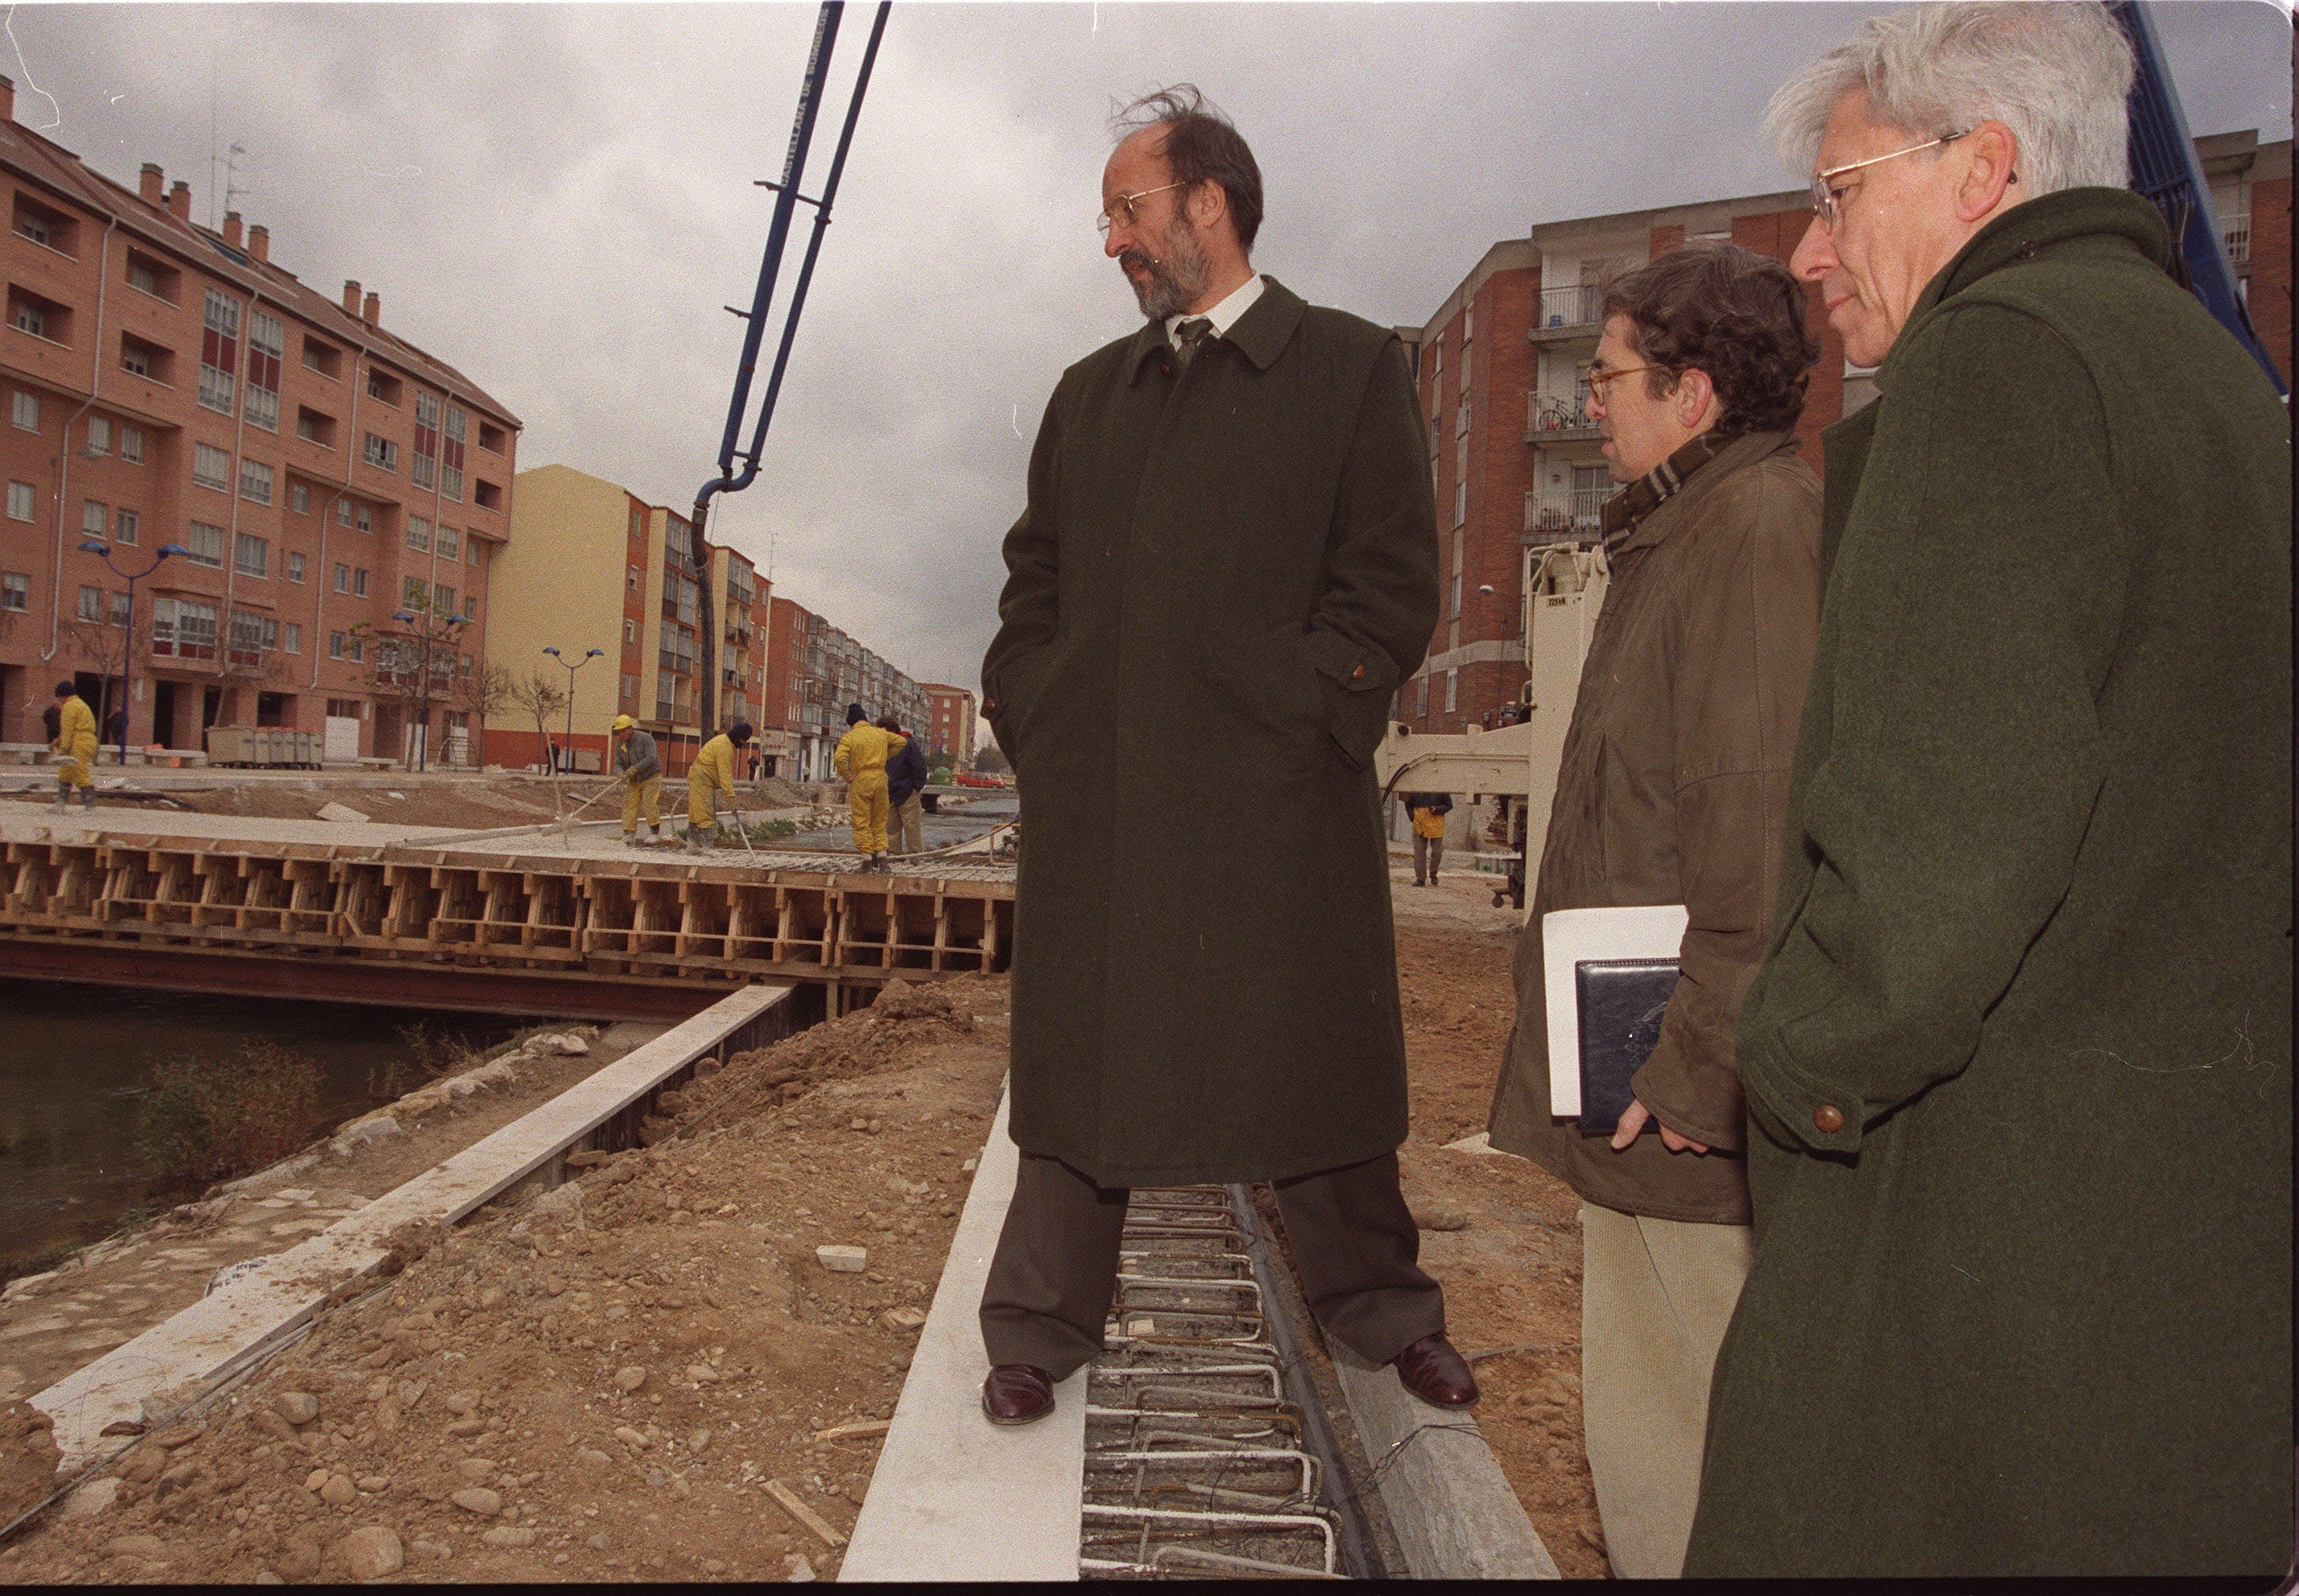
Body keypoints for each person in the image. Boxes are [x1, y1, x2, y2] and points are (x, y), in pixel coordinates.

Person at [1681, 4, 2292, 1579]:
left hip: (1980, 1273)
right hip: (2174, 1283)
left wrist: (1789, 1061)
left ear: (1986, 168)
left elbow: (1925, 869)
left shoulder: (1999, 364)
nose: (1812, 258)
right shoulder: (2215, 389)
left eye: (1838, 195)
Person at [976, 85, 1471, 1429]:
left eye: (1128, 210)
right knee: (1082, 1073)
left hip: (1272, 798)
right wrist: (1044, 711)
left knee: (1309, 1063)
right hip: (1112, 803)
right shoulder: (1090, 397)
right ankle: (1037, 1323)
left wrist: (1302, 713)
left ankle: (1381, 1309)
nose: (1112, 241)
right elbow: (1034, 586)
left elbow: (1387, 588)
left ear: (1208, 205)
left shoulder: (1354, 367)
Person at [1483, 242, 1823, 1578]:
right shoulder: (1683, 535)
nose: (1590, 405)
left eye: (1611, 378)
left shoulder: (1749, 535)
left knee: (1687, 1421)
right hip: (1645, 1075)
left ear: (1691, 394)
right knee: (1649, 1407)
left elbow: (1758, 824)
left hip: (1676, 1097)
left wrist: (1697, 1067)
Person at [833, 704, 904, 874]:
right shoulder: (880, 733)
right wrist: (885, 755)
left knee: (861, 822)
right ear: (865, 719)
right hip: (880, 779)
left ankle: (866, 863)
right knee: (879, 822)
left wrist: (847, 775)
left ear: (851, 723)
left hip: (861, 779)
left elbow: (839, 757)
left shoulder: (850, 737)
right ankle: (883, 862)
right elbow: (901, 741)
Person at [682, 721, 751, 855]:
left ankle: (692, 845)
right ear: (738, 737)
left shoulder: (726, 743)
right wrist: (731, 798)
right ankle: (707, 847)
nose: (742, 743)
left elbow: (718, 771)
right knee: (704, 812)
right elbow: (725, 774)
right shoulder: (724, 747)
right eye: (742, 740)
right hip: (701, 778)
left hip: (703, 778)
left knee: (697, 811)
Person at [879, 716, 929, 855]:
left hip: (907, 792)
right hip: (890, 793)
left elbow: (920, 767)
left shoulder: (908, 744)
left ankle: (915, 857)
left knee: (912, 827)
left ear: (893, 731)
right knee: (891, 829)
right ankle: (894, 856)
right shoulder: (884, 746)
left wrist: (915, 788)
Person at [611, 714, 664, 849]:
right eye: (619, 732)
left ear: (630, 728)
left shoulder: (645, 739)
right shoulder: (620, 745)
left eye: (623, 731)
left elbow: (651, 757)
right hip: (634, 779)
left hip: (651, 776)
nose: (621, 734)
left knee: (649, 803)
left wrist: (635, 768)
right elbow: (617, 762)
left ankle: (654, 833)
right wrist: (619, 772)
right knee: (629, 805)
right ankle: (629, 834)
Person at [49, 681, 96, 811]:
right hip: (83, 740)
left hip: (80, 742)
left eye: (58, 696)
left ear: (63, 695)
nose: (58, 699)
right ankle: (60, 804)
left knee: (79, 771)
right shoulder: (80, 704)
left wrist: (63, 747)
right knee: (66, 772)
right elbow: (70, 730)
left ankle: (90, 806)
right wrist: (59, 741)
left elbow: (68, 729)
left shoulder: (69, 707)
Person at [1405, 792, 1451, 886]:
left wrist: (1437, 809)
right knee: (1419, 852)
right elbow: (1408, 803)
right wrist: (1412, 818)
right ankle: (1420, 878)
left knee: (1437, 851)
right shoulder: (1416, 787)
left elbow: (1449, 805)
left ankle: (1433, 874)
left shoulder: (1441, 787)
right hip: (1419, 823)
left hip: (1436, 823)